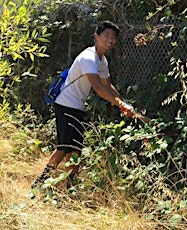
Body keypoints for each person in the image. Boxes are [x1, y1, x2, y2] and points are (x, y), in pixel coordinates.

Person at [31, 21, 136, 190]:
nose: (110, 40)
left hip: (76, 107)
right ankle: (40, 182)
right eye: (106, 36)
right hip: (65, 105)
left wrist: (124, 103)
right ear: (96, 36)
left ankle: (69, 187)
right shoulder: (89, 57)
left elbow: (108, 86)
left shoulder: (102, 60)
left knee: (76, 149)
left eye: (113, 37)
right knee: (65, 147)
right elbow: (98, 87)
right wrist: (120, 105)